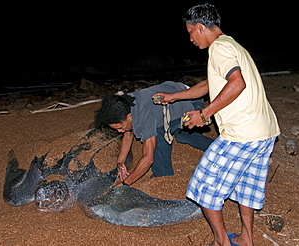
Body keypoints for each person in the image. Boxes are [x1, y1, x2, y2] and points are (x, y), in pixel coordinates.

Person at [153, 3, 280, 246]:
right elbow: (211, 84)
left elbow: (237, 83)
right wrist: (174, 97)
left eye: (190, 32)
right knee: (247, 188)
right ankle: (246, 239)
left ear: (200, 27)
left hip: (242, 133)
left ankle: (222, 242)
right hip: (264, 131)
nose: (190, 38)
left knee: (204, 186)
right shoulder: (232, 45)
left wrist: (205, 113)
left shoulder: (219, 48)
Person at [95, 81, 214, 186]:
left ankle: (162, 177)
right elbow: (128, 132)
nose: (119, 131)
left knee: (160, 134)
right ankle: (212, 145)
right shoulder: (124, 104)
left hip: (192, 100)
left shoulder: (143, 116)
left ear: (129, 117)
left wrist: (125, 184)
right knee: (182, 134)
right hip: (176, 95)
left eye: (119, 127)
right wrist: (120, 162)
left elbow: (148, 159)